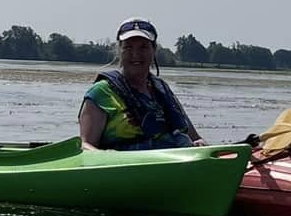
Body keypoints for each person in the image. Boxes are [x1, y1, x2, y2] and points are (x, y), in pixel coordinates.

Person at [78, 18, 204, 150]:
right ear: (119, 50)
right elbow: (85, 145)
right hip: (125, 165)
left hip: (172, 163)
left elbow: (195, 138)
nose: (136, 54)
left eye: (143, 47)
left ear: (153, 50)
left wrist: (201, 145)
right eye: (128, 47)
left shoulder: (162, 89)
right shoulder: (101, 92)